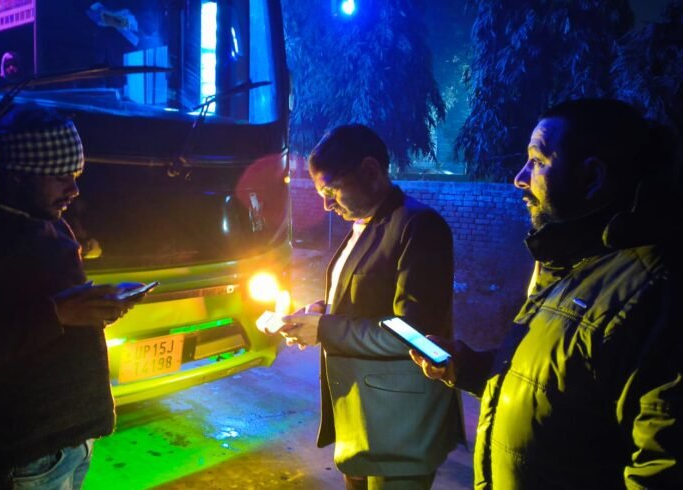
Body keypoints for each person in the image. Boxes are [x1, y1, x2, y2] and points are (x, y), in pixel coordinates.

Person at [410, 98, 683, 489]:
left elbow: (661, 470)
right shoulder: (569, 267)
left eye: (537, 161)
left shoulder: (654, 296)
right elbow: (563, 392)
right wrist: (467, 367)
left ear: (592, 177)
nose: (519, 178)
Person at [0, 104, 144, 489]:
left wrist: (96, 307)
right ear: (16, 174)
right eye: (60, 177)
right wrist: (57, 314)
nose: (74, 190)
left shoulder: (53, 226)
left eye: (75, 176)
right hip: (21, 455)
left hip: (74, 441)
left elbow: (57, 313)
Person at [282, 124, 464, 490]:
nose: (326, 204)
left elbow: (413, 332)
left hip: (401, 428)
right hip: (361, 419)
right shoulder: (364, 223)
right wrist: (321, 311)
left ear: (370, 171)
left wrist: (325, 329)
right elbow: (365, 298)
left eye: (331, 190)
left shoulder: (418, 226)